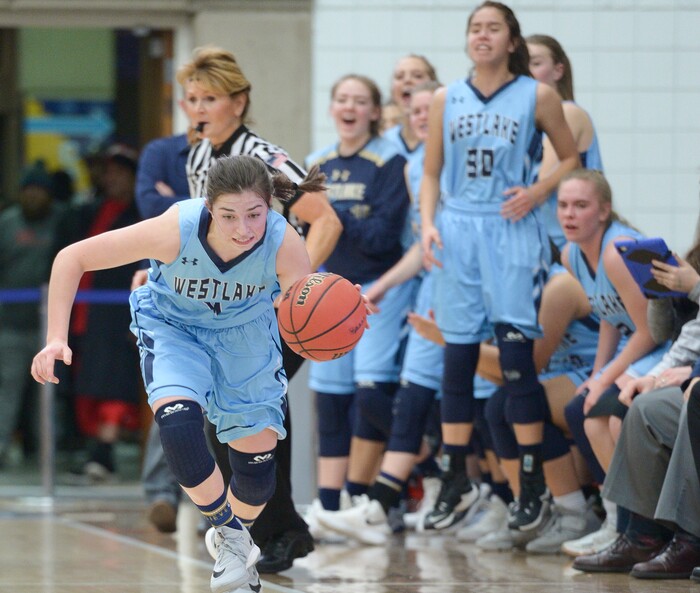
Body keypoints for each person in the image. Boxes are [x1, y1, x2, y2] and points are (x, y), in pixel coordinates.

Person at [31, 154, 325, 593]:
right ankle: (229, 536)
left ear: (269, 207)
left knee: (258, 470)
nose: (243, 228)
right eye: (228, 216)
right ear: (209, 207)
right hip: (176, 328)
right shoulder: (175, 228)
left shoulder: (285, 244)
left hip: (245, 335)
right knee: (179, 422)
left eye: (254, 215)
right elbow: (72, 258)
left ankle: (232, 537)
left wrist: (333, 310)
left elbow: (300, 310)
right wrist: (56, 337)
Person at [139, 45, 342, 575]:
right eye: (190, 99)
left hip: (270, 305)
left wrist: (291, 294)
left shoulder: (265, 156)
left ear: (239, 101)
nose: (198, 108)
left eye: (209, 98)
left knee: (255, 415)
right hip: (224, 309)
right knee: (233, 418)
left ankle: (274, 532)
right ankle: (265, 530)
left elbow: (326, 221)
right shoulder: (198, 155)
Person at [419, 0, 580, 535]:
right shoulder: (447, 97)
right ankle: (454, 476)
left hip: (510, 229)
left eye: (493, 28)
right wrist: (428, 224)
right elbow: (432, 171)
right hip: (458, 225)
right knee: (458, 356)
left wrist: (537, 190)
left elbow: (571, 157)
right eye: (474, 28)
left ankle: (531, 482)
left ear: (512, 41)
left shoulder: (537, 95)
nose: (482, 36)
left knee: (516, 360)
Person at [303, 73, 412, 534]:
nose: (350, 107)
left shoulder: (390, 161)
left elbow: (381, 238)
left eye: (360, 100)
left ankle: (371, 501)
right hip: (327, 287)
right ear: (331, 108)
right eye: (342, 98)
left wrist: (330, 213)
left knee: (370, 397)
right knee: (329, 399)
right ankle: (329, 507)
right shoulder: (315, 163)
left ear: (374, 110)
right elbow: (307, 232)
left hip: (376, 289)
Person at [559, 169, 669, 556]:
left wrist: (608, 377)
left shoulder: (617, 251)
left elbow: (650, 330)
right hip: (640, 345)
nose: (569, 214)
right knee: (580, 408)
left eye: (581, 206)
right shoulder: (571, 253)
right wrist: (596, 374)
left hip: (668, 346)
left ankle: (643, 527)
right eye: (563, 206)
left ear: (604, 211)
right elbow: (610, 314)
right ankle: (617, 520)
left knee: (606, 414)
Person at [571, 250, 700, 578]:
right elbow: (677, 335)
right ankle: (640, 535)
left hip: (692, 377)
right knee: (643, 408)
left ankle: (688, 539)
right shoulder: (689, 259)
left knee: (693, 400)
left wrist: (696, 287)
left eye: (579, 205)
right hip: (686, 367)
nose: (569, 214)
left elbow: (648, 337)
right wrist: (658, 293)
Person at [0, 162, 62, 465]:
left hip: (47, 328)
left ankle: (46, 453)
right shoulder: (7, 223)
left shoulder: (59, 222)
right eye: (29, 191)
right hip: (9, 324)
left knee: (46, 394)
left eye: (40, 191)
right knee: (6, 391)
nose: (34, 197)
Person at [526, 34, 603, 249]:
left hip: (566, 245)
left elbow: (543, 181)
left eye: (536, 63)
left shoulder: (567, 112)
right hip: (548, 242)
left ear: (558, 70)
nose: (527, 71)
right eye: (521, 64)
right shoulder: (531, 123)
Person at [382, 54, 438, 157]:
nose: (407, 80)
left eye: (417, 76)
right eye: (399, 76)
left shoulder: (447, 138)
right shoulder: (385, 141)